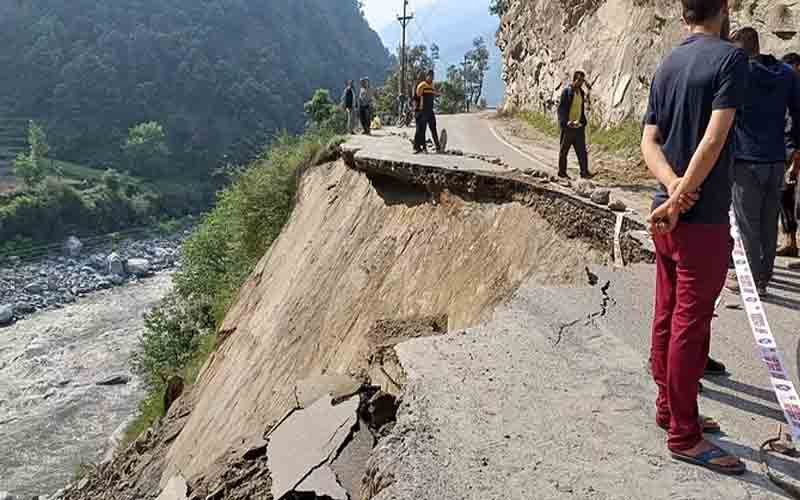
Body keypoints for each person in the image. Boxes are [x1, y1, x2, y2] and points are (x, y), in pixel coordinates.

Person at [642, 0, 748, 475]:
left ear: (683, 12)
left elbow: (649, 140)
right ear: (724, 8)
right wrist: (683, 195)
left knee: (667, 313)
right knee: (691, 322)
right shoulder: (730, 59)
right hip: (700, 220)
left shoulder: (667, 63)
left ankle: (670, 409)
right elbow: (714, 137)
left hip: (666, 216)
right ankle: (685, 434)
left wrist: (669, 191)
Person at [725, 29, 800, 296]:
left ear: (741, 50)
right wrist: (791, 146)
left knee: (747, 225)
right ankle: (764, 277)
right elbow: (797, 112)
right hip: (776, 160)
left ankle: (753, 280)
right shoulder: (787, 74)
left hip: (746, 160)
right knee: (769, 223)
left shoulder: (739, 74)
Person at [778, 53, 800, 258]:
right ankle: (791, 243)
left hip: (795, 154)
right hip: (785, 151)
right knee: (785, 198)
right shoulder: (785, 92)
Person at [557, 70, 591, 179]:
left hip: (578, 127)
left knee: (582, 151)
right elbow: (561, 109)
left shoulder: (581, 93)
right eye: (579, 80)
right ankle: (562, 173)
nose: (581, 83)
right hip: (568, 127)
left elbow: (581, 108)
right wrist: (566, 122)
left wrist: (582, 122)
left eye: (582, 80)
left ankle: (584, 172)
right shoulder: (567, 92)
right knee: (564, 151)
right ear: (574, 79)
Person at [414, 70, 442, 154]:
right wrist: (418, 111)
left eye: (433, 76)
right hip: (422, 111)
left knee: (433, 128)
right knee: (422, 130)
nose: (432, 78)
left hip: (430, 111)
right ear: (426, 76)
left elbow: (433, 94)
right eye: (430, 76)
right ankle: (421, 148)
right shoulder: (421, 85)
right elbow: (417, 98)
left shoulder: (432, 86)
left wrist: (438, 94)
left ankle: (438, 146)